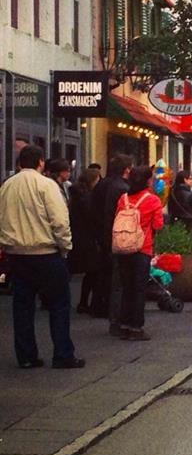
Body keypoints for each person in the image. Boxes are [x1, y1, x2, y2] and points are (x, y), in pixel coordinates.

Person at [0, 145, 85, 368]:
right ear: (40, 162)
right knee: (58, 304)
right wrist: (65, 248)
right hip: (46, 253)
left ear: (20, 163)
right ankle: (63, 354)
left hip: (16, 254)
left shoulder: (7, 186)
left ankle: (26, 355)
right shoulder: (46, 185)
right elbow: (59, 221)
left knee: (23, 306)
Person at [114, 166, 163, 340]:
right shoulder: (153, 200)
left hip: (123, 248)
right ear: (147, 180)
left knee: (127, 287)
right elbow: (158, 225)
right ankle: (136, 327)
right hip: (142, 248)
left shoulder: (123, 198)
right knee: (139, 289)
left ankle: (124, 324)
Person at [91, 154, 133, 332]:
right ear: (126, 169)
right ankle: (113, 313)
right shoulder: (122, 188)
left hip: (101, 234)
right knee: (117, 279)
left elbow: (94, 209)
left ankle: (98, 305)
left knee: (103, 273)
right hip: (116, 235)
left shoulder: (102, 184)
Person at [68, 168, 101, 315]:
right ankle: (87, 302)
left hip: (77, 237)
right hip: (87, 239)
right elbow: (92, 218)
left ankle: (84, 302)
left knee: (88, 271)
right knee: (93, 271)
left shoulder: (76, 196)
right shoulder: (87, 198)